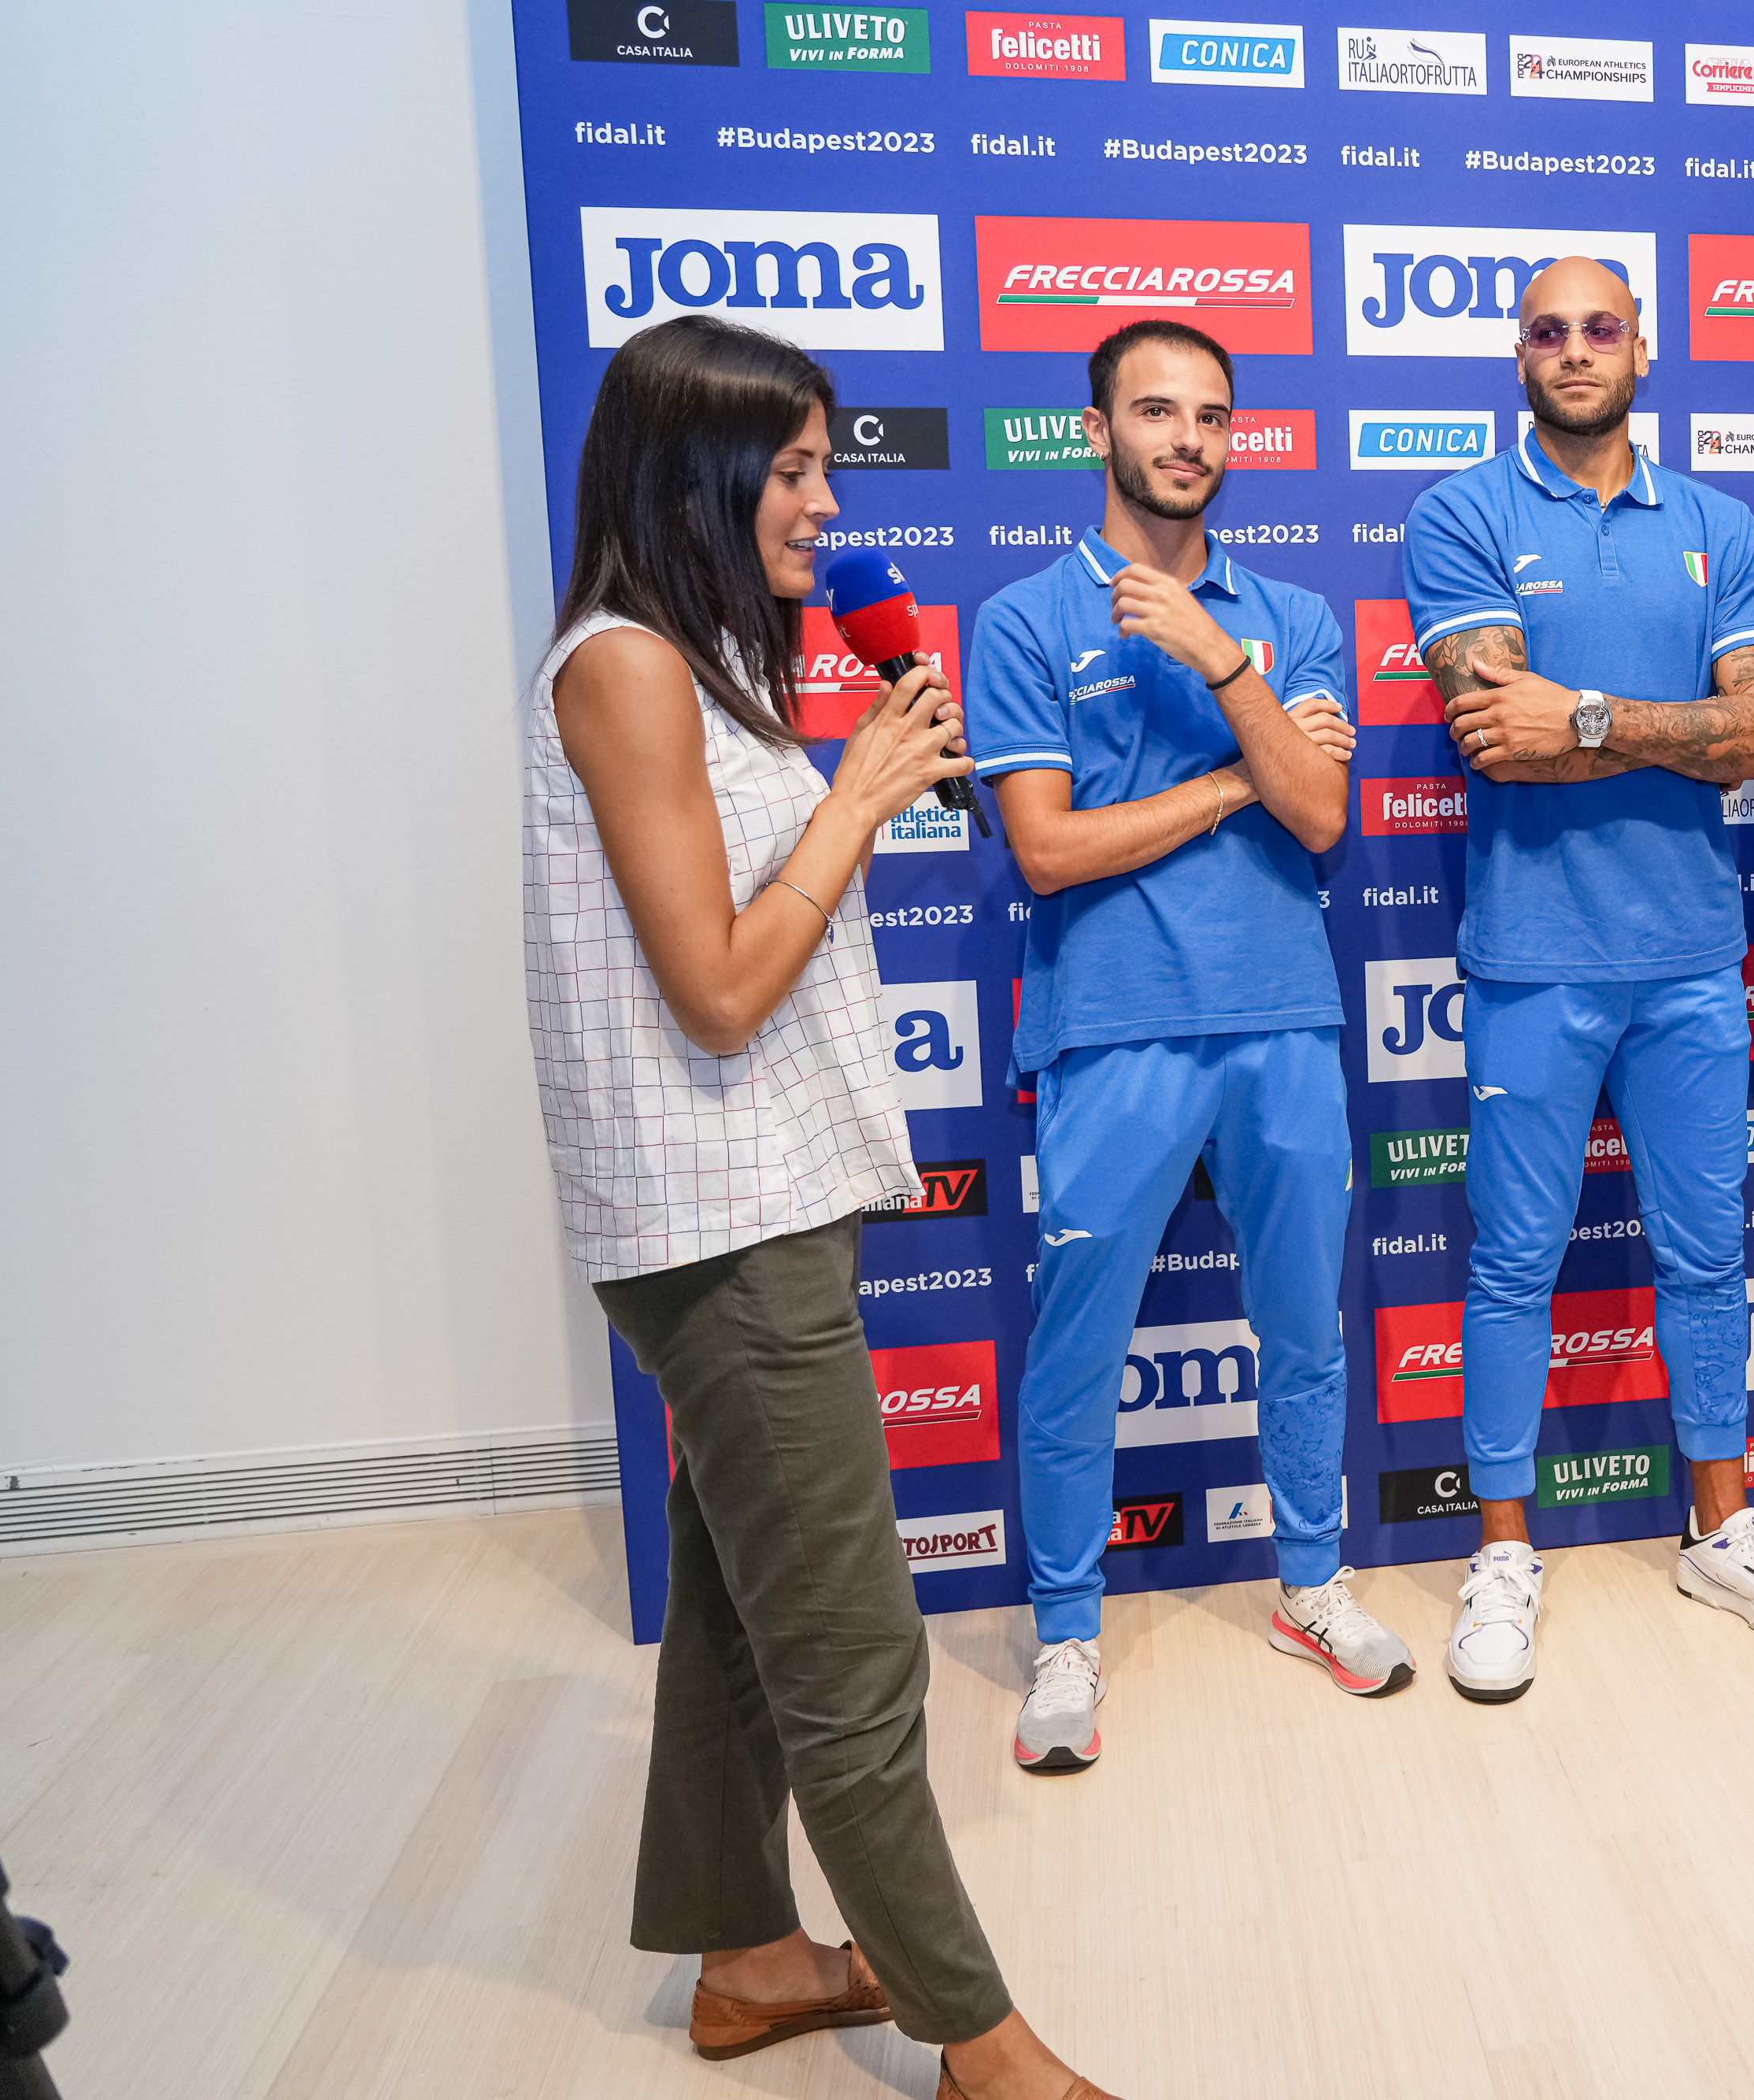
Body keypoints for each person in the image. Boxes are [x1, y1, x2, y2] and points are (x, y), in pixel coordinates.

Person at [524, 313, 1119, 2095]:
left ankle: (746, 1955)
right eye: (791, 470)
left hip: (765, 1196)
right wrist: (854, 801)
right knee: (856, 1654)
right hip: (716, 1224)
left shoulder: (708, 659)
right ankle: (983, 2047)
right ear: (695, 476)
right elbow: (716, 988)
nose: (827, 502)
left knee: (736, 1596)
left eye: (825, 465)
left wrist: (851, 770)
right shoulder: (626, 667)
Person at [963, 319, 1407, 1772]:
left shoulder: (1290, 616)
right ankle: (1067, 1632)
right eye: (1157, 412)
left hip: (1282, 1017)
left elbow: (1323, 816)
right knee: (1079, 1351)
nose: (1189, 439)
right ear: (1099, 430)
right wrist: (1236, 779)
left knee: (1306, 1332)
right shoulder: (1026, 619)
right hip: (1112, 1029)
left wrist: (1223, 661)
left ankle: (1311, 1585)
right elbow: (1048, 850)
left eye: (1212, 415)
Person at [1402, 256, 1754, 1702]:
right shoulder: (1463, 513)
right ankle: (1502, 1553)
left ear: (1644, 348)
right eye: (1551, 332)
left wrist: (1588, 714)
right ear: (1520, 355)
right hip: (1535, 959)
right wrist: (1675, 726)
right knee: (1514, 1263)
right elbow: (1499, 733)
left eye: (1602, 329)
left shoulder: (1719, 524)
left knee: (1707, 1258)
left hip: (1690, 963)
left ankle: (1721, 1527)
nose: (1578, 351)